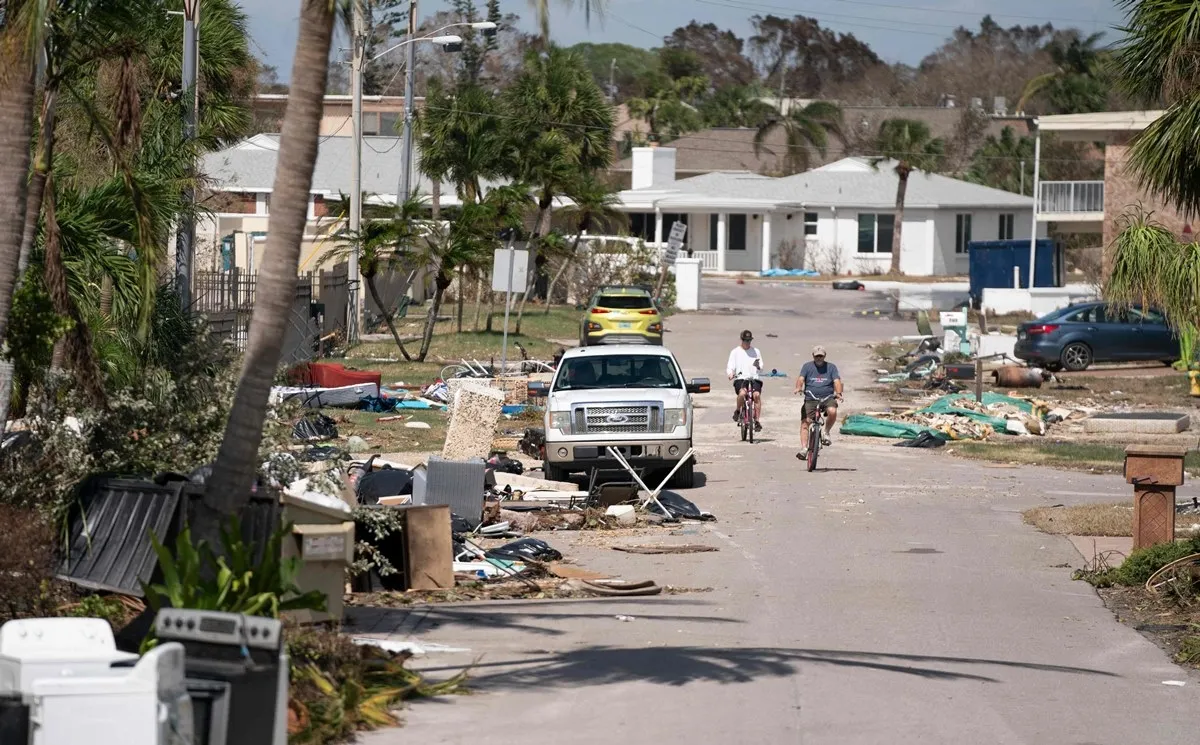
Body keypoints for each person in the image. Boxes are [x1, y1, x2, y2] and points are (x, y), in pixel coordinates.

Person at [794, 345, 842, 459]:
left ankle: (826, 432)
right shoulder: (807, 366)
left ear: (824, 356)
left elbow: (837, 381)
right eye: (817, 356)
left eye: (821, 356)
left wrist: (839, 393)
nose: (819, 358)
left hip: (827, 397)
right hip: (811, 397)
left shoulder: (831, 367)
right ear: (813, 356)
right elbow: (801, 379)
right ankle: (804, 449)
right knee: (806, 422)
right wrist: (798, 388)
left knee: (832, 410)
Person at [726, 329, 764, 431]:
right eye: (746, 340)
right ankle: (738, 411)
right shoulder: (735, 352)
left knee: (756, 395)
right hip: (741, 378)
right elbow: (730, 366)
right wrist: (731, 373)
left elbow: (761, 365)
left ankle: (757, 420)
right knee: (742, 393)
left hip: (754, 378)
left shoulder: (756, 351)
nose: (748, 343)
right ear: (741, 340)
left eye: (749, 340)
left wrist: (758, 366)